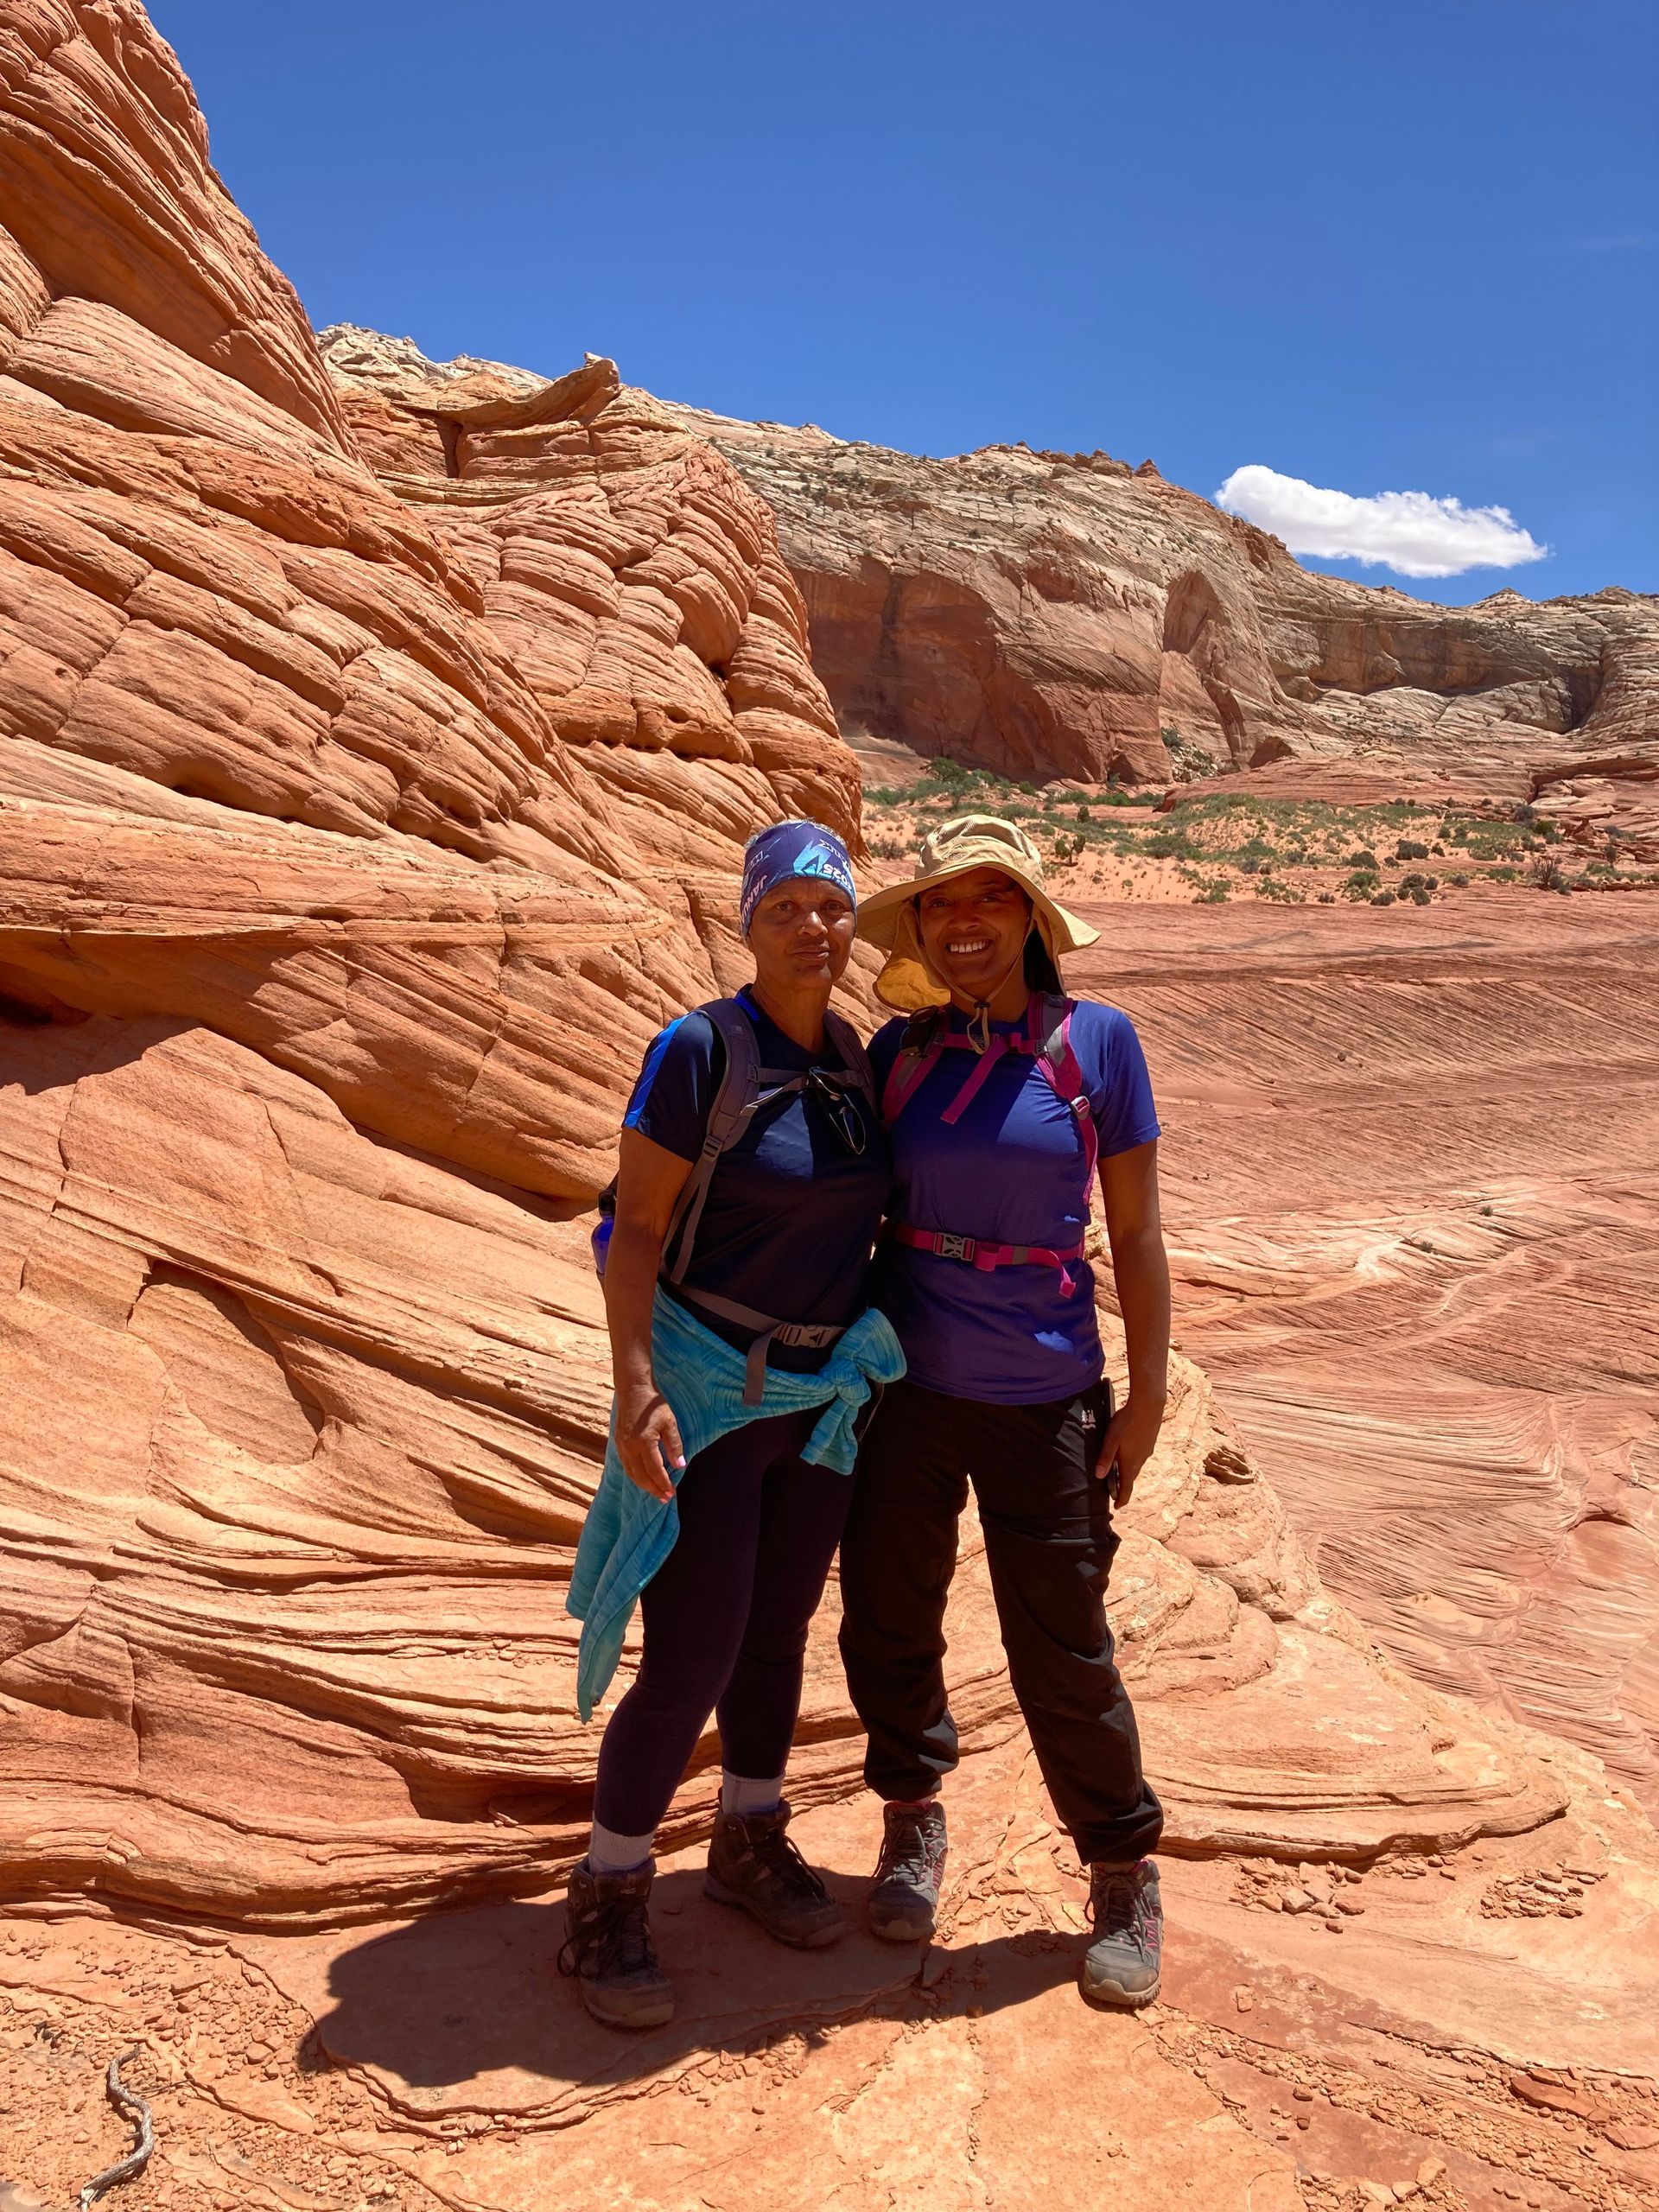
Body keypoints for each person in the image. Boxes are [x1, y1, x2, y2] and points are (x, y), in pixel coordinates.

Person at [562, 820, 901, 2031]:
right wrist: (634, 1383)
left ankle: (749, 1836)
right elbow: (636, 1231)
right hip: (707, 1391)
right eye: (787, 910)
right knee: (694, 1647)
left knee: (778, 1635)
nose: (814, 928)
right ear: (748, 925)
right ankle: (605, 1891)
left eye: (832, 909)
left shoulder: (859, 1066)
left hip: (816, 1406)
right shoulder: (702, 1050)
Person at [838, 812, 1171, 2009]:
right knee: (888, 1615)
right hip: (908, 1395)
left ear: (1030, 918)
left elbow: (1132, 1231)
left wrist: (1149, 1396)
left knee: (1065, 1643)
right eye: (941, 903)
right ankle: (912, 1818)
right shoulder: (900, 1055)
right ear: (922, 925)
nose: (964, 922)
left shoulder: (1098, 1046)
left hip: (1045, 1394)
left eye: (991, 899)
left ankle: (1123, 1866)